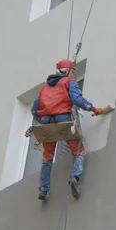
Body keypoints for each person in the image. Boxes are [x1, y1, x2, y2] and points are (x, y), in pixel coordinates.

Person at [30, 59, 104, 201]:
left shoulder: (44, 88)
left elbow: (34, 109)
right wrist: (93, 108)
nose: (73, 75)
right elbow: (77, 100)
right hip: (63, 120)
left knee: (47, 158)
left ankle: (43, 190)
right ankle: (75, 177)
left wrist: (42, 120)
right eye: (72, 72)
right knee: (78, 151)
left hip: (47, 124)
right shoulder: (69, 82)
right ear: (68, 71)